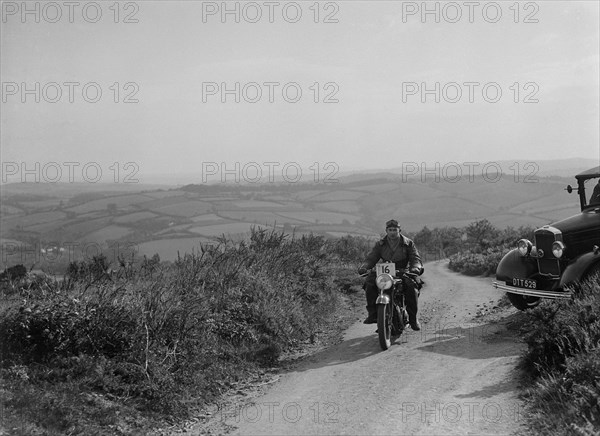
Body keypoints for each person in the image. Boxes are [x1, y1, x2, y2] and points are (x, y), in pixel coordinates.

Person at [358, 219, 423, 330]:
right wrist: (365, 267)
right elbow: (372, 257)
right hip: (385, 271)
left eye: (395, 230)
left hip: (403, 271)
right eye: (390, 230)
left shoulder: (408, 243)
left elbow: (415, 258)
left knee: (411, 286)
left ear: (399, 230)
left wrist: (415, 268)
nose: (392, 232)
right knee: (369, 282)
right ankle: (374, 315)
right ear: (386, 231)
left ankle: (413, 319)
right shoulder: (380, 244)